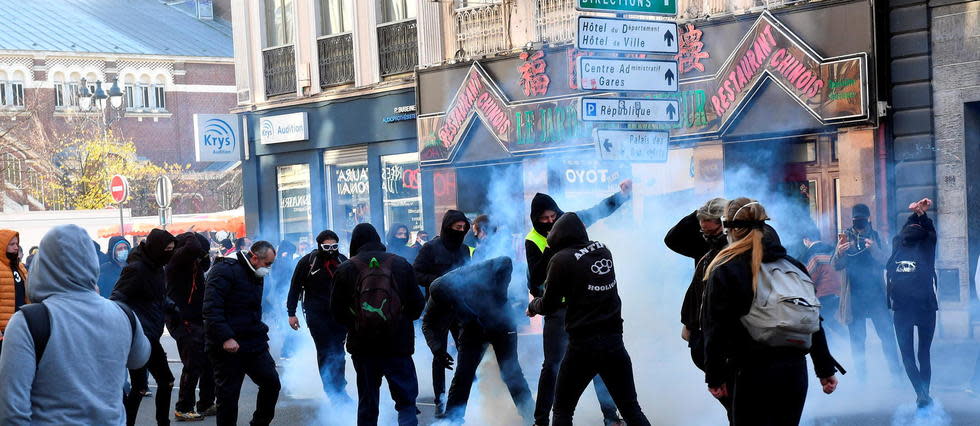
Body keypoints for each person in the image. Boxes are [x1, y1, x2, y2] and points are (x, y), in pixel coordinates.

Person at [703, 198, 841, 425]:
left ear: (731, 229)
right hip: (794, 371)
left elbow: (715, 327)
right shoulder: (794, 266)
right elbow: (811, 317)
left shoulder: (727, 269)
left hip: (750, 371)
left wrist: (714, 376)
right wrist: (824, 368)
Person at [0, 225, 150, 425]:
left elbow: (12, 412)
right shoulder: (123, 314)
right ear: (91, 261)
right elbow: (139, 358)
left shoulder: (27, 322)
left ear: (44, 264)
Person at [527, 213, 650, 426]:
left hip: (582, 347)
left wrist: (533, 306)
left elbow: (549, 304)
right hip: (614, 344)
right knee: (631, 409)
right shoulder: (603, 250)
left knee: (562, 410)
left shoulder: (561, 259)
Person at [330, 223, 425, 426]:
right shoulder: (400, 264)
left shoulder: (345, 268)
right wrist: (400, 321)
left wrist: (357, 324)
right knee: (406, 402)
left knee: (368, 401)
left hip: (364, 346)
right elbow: (417, 304)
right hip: (398, 344)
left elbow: (337, 311)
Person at [423, 256, 535, 424]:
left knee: (511, 373)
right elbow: (427, 322)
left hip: (501, 322)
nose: (451, 305)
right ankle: (453, 421)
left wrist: (498, 294)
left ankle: (533, 418)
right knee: (463, 375)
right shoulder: (438, 294)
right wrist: (437, 348)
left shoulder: (474, 274)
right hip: (472, 330)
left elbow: (506, 261)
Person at [664, 198, 731, 420]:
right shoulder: (704, 248)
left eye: (713, 232)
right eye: (704, 233)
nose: (709, 238)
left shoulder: (739, 250)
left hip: (727, 335)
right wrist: (699, 213)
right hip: (704, 331)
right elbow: (672, 239)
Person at [204, 241, 281, 426]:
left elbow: (252, 309)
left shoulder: (255, 272)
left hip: (252, 342)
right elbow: (211, 308)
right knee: (228, 398)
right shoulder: (224, 270)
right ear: (255, 257)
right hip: (227, 346)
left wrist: (261, 338)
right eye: (267, 264)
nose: (268, 268)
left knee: (271, 383)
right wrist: (225, 337)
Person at [111, 228, 177, 426]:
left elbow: (157, 297)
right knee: (141, 387)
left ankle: (162, 422)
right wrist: (133, 322)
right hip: (138, 336)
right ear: (156, 248)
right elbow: (117, 298)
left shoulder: (158, 267)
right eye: (167, 249)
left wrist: (173, 308)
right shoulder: (137, 269)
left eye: (172, 249)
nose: (170, 254)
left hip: (152, 335)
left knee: (165, 381)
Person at [834, 203, 902, 381]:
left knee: (887, 336)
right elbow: (835, 265)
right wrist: (840, 253)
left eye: (862, 220)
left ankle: (897, 375)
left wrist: (874, 249)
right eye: (856, 221)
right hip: (854, 298)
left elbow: (887, 262)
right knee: (857, 341)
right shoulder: (845, 237)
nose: (859, 224)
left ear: (868, 219)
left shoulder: (877, 237)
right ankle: (862, 379)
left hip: (876, 296)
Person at [412, 210, 471, 413]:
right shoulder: (430, 248)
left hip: (460, 306)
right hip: (437, 307)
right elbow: (416, 272)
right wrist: (438, 283)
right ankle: (441, 399)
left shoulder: (464, 249)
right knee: (440, 354)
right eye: (457, 228)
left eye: (464, 228)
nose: (461, 231)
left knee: (466, 352)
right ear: (447, 227)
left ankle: (463, 398)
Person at [286, 230, 353, 404]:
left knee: (339, 351)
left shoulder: (342, 261)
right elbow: (294, 288)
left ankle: (340, 388)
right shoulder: (307, 262)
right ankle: (332, 391)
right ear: (319, 246)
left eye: (334, 246)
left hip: (339, 315)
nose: (331, 250)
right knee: (325, 351)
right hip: (316, 316)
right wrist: (291, 313)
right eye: (327, 246)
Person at [886, 198, 937, 408]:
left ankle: (920, 394)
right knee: (923, 352)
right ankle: (925, 391)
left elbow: (905, 231)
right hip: (925, 306)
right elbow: (930, 232)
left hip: (901, 308)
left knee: (907, 354)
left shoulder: (897, 243)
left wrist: (913, 215)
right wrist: (922, 214)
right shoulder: (927, 245)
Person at [166, 232, 216, 420]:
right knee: (193, 362)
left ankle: (206, 403)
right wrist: (190, 234)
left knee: (207, 361)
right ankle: (183, 407)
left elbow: (205, 263)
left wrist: (203, 254)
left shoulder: (192, 263)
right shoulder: (177, 260)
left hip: (195, 318)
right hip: (181, 319)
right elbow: (194, 248)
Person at [801, 227, 846, 337]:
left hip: (824, 295)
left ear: (806, 240)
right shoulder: (833, 249)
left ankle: (835, 349)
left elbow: (808, 279)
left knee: (823, 325)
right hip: (841, 292)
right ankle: (846, 344)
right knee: (832, 323)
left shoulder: (810, 254)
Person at [0, 229, 29, 354]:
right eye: (12, 244)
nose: (16, 247)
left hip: (22, 325)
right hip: (4, 330)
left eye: (17, 244)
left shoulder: (21, 267)